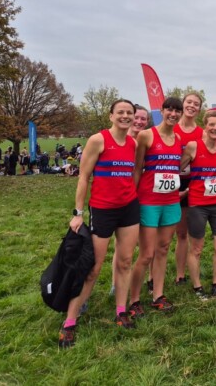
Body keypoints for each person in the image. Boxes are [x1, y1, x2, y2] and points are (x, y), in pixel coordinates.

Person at [59, 99, 140, 348]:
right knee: (93, 268)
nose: (125, 116)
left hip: (129, 209)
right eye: (120, 112)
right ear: (111, 116)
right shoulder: (98, 140)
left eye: (129, 112)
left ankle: (120, 311)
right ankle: (70, 321)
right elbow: (83, 177)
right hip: (103, 210)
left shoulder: (133, 143)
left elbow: (130, 175)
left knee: (125, 261)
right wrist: (78, 213)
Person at [128, 97, 184, 317]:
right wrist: (132, 197)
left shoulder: (178, 138)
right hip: (149, 201)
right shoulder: (146, 135)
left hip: (170, 201)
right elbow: (137, 169)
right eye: (169, 109)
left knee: (163, 249)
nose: (173, 114)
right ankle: (134, 300)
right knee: (146, 254)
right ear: (162, 111)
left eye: (177, 111)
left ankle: (158, 296)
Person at [180, 110, 216, 300]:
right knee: (197, 248)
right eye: (212, 124)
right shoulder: (193, 146)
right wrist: (183, 190)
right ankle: (197, 287)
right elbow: (178, 168)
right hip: (197, 203)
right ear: (205, 126)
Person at [110, 106, 149, 295]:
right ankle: (115, 283)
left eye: (143, 119)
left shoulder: (147, 140)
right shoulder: (121, 139)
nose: (139, 122)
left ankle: (148, 279)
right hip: (122, 199)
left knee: (147, 243)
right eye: (137, 117)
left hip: (146, 196)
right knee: (122, 244)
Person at [172, 92, 204, 286]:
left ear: (199, 109)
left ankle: (189, 271)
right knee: (180, 233)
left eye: (196, 104)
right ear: (183, 104)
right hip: (174, 183)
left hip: (195, 184)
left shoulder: (202, 133)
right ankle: (180, 274)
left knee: (194, 234)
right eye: (189, 102)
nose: (192, 106)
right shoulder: (172, 128)